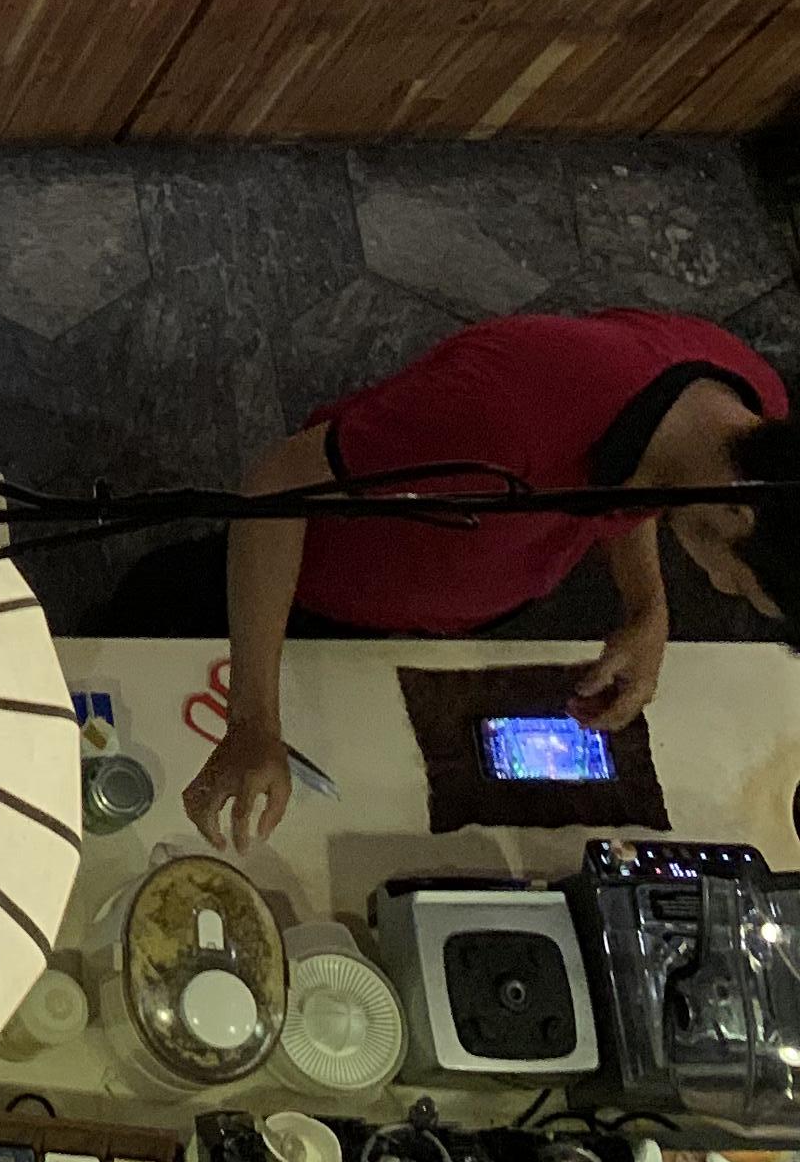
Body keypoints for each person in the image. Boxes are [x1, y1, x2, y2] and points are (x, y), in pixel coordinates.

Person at [169, 307, 792, 851]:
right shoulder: (506, 412)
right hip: (307, 589)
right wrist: (253, 720)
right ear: (736, 514)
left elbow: (644, 475)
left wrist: (647, 606)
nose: (721, 589)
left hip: (434, 612)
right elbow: (278, 483)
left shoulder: (747, 410)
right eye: (739, 586)